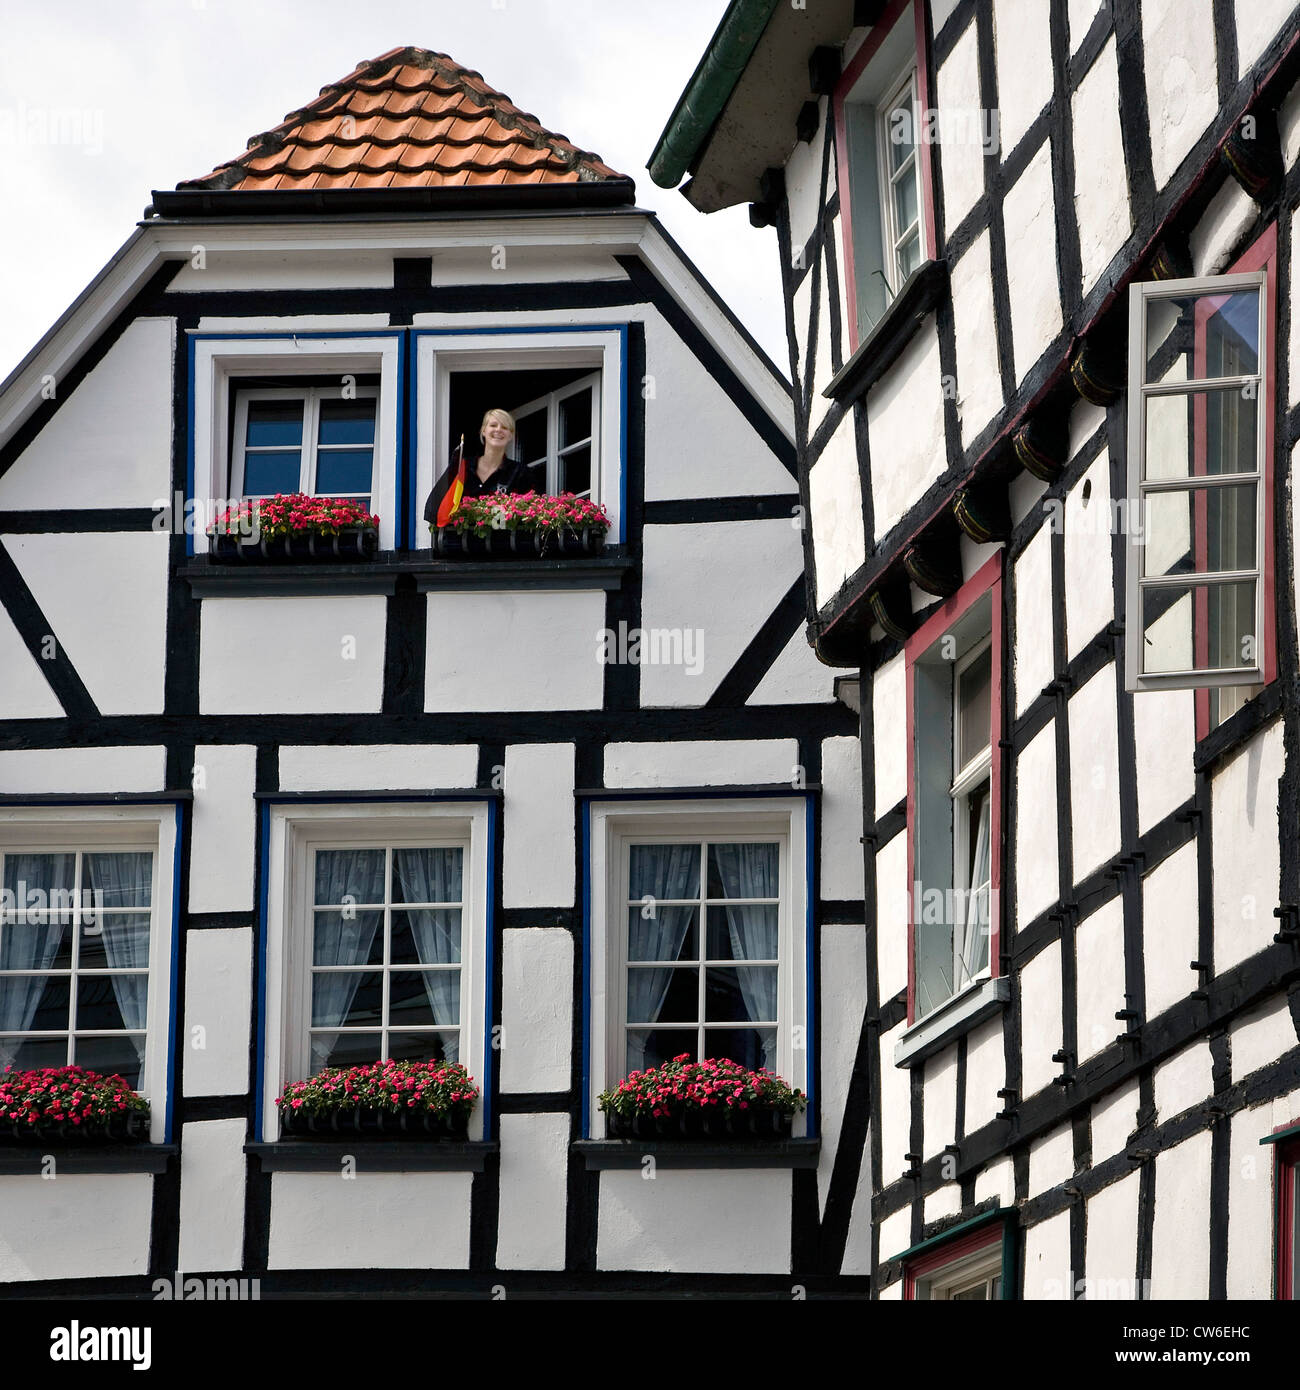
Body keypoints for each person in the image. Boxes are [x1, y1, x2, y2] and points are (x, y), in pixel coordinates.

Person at [424, 407, 535, 525]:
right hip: (460, 541)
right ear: (483, 431)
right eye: (493, 425)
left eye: (504, 427)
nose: (498, 430)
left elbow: (530, 513)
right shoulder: (463, 467)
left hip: (502, 541)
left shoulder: (520, 472)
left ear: (511, 435)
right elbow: (438, 504)